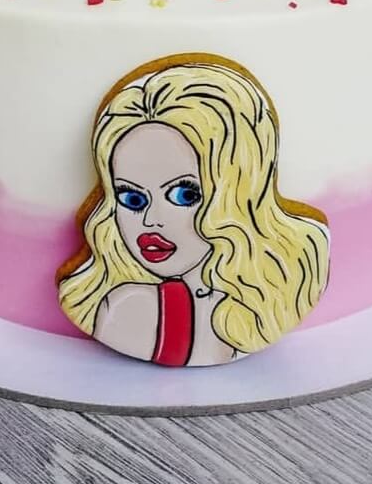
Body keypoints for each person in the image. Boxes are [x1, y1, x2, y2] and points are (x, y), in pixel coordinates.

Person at [56, 54, 330, 366]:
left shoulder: (283, 291)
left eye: (184, 194)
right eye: (132, 199)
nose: (151, 221)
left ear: (236, 189)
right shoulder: (135, 310)